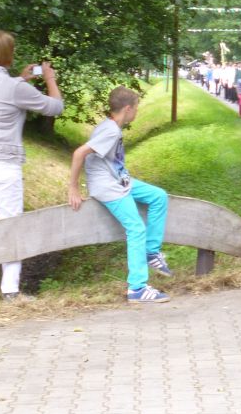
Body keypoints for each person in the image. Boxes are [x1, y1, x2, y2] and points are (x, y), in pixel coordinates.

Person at [0, 30, 64, 301]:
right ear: (9, 56)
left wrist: (22, 79)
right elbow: (55, 107)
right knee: (11, 226)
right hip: (3, 166)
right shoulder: (15, 88)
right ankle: (10, 292)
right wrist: (49, 79)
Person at [67, 87, 173, 303]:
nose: (137, 112)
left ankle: (151, 252)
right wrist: (73, 188)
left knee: (158, 196)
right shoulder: (110, 131)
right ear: (127, 109)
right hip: (108, 187)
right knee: (136, 229)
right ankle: (137, 288)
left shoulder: (109, 125)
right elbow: (79, 153)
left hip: (119, 180)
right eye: (136, 108)